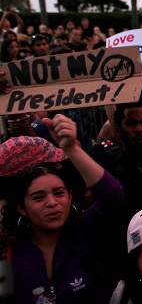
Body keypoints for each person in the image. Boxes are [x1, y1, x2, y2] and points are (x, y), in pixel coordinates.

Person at [0, 115, 124, 303]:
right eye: (38, 197)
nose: (52, 202)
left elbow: (113, 196)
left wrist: (72, 149)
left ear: (70, 196)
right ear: (21, 207)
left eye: (59, 193)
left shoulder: (87, 229)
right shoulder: (9, 252)